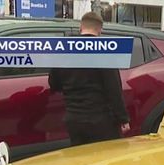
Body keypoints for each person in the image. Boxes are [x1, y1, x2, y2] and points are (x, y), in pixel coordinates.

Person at [48, 12, 130, 146]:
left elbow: (53, 83)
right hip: (100, 120)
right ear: (100, 30)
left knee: (79, 156)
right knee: (103, 156)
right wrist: (123, 118)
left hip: (73, 119)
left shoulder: (64, 50)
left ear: (81, 27)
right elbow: (113, 89)